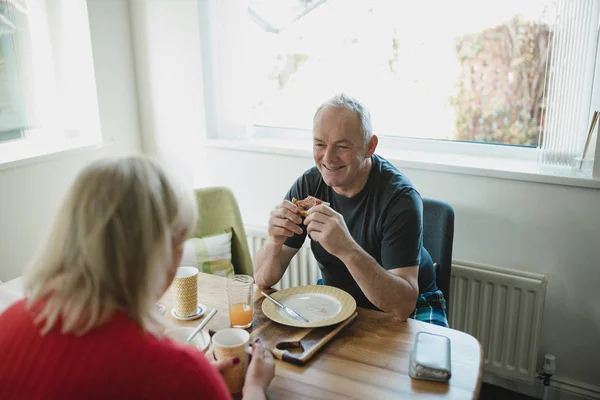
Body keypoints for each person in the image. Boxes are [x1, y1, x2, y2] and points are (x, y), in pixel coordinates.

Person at [0, 155, 275, 400]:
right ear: (159, 256)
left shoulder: (7, 324)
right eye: (180, 243)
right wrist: (254, 389)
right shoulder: (179, 372)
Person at [254, 94, 448, 327]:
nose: (328, 158)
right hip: (340, 298)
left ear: (370, 146)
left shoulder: (400, 198)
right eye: (319, 144)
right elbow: (263, 280)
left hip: (414, 303)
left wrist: (347, 248)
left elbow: (403, 306)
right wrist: (274, 242)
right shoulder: (309, 185)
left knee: (422, 365)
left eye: (342, 146)